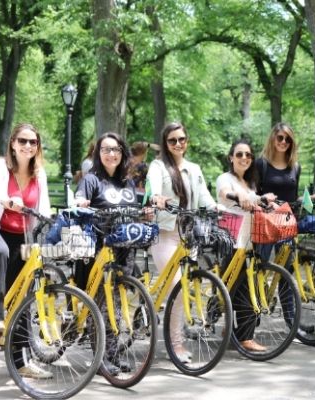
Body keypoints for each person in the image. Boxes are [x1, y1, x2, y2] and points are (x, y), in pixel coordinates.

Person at [0, 123, 52, 378]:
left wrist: (51, 217)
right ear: (12, 143)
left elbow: (43, 206)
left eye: (33, 142)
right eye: (22, 141)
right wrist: (10, 201)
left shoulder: (39, 173)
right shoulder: (0, 166)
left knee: (22, 296)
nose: (28, 146)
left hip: (20, 237)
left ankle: (22, 362)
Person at [147, 122, 217, 362]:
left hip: (188, 236)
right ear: (165, 143)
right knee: (177, 289)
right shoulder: (158, 166)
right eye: (172, 140)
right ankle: (175, 345)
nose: (178, 144)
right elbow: (153, 189)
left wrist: (217, 208)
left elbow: (205, 196)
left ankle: (150, 306)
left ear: (187, 141)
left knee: (183, 288)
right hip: (165, 234)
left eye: (182, 139)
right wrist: (157, 198)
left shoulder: (194, 169)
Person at [73, 132, 139, 374]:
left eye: (116, 149)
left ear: (122, 153)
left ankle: (112, 353)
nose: (111, 154)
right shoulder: (92, 180)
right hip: (100, 249)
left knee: (117, 305)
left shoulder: (128, 182)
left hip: (124, 248)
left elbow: (133, 209)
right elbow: (80, 197)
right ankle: (101, 358)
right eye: (106, 149)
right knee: (100, 304)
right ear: (98, 154)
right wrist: (80, 202)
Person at [214, 139, 265, 352]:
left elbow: (253, 199)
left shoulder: (250, 183)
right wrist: (238, 196)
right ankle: (241, 335)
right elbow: (224, 193)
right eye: (240, 154)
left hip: (249, 239)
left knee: (244, 285)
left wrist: (264, 199)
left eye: (248, 155)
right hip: (231, 237)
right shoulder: (225, 178)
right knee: (236, 286)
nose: (244, 158)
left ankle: (239, 334)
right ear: (231, 158)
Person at [254, 123, 315, 261]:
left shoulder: (295, 167)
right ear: (273, 139)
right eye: (280, 138)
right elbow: (253, 196)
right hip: (265, 222)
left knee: (286, 266)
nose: (284, 142)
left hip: (286, 221)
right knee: (260, 265)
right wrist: (264, 200)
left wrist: (310, 198)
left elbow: (293, 197)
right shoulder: (261, 164)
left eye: (288, 139)